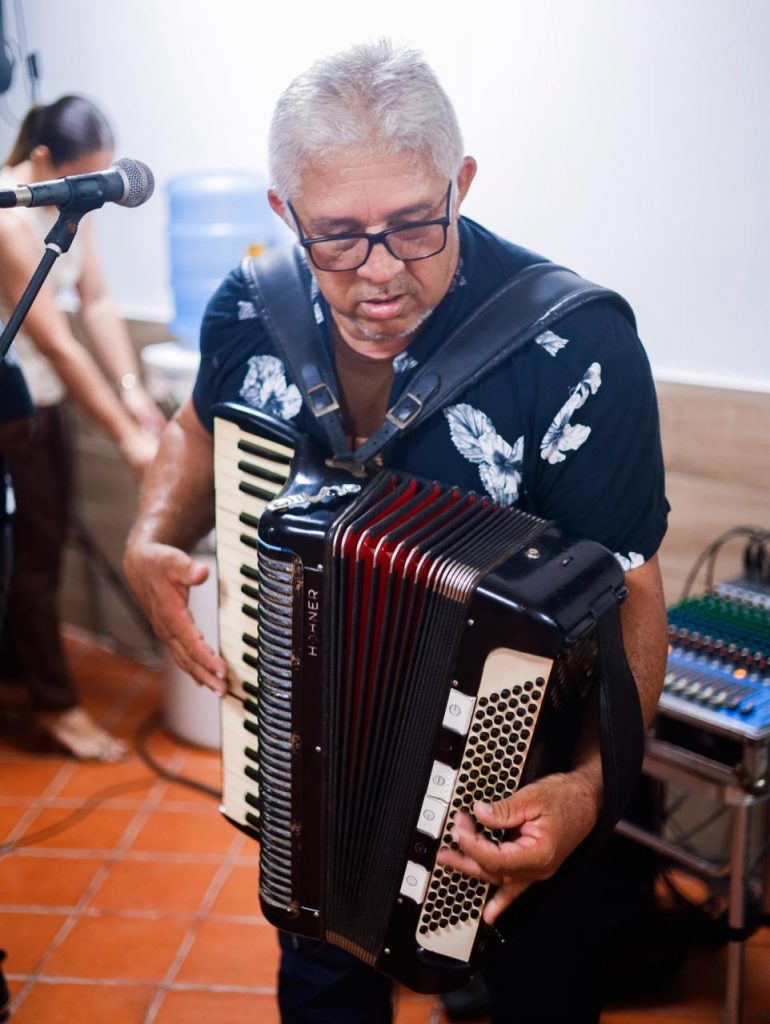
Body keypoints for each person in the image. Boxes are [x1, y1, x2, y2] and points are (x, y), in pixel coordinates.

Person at [124, 40, 669, 1023]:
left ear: (462, 183)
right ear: (284, 212)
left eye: (415, 225)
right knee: (322, 994)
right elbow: (197, 428)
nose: (379, 273)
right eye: (336, 236)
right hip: (315, 781)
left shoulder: (576, 349)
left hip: (521, 806)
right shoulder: (251, 308)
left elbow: (630, 588)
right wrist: (150, 531)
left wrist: (588, 791)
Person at [0, 95, 165, 762]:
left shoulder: (76, 198)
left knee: (45, 540)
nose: (98, 194)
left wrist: (132, 395)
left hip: (47, 402)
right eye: (87, 178)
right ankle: (55, 707)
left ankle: (20, 676)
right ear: (44, 160)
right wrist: (125, 437)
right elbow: (59, 345)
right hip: (13, 410)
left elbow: (95, 302)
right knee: (33, 556)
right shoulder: (10, 221)